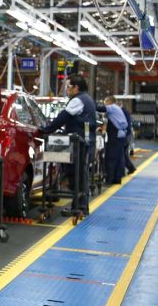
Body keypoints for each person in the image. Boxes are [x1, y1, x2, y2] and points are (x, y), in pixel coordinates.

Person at [41, 75, 97, 217]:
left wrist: (46, 130)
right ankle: (80, 207)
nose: (66, 89)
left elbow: (63, 117)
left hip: (78, 144)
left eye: (68, 86)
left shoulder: (78, 100)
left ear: (76, 87)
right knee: (80, 175)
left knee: (76, 175)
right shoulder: (87, 99)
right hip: (85, 142)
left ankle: (79, 207)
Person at [97, 96, 128, 184]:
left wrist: (90, 104)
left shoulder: (112, 107)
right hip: (120, 136)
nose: (105, 105)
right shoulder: (117, 108)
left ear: (109, 102)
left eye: (105, 103)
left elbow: (100, 109)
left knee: (111, 157)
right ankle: (116, 179)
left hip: (116, 136)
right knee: (118, 158)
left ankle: (109, 179)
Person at [118, 100, 136, 174]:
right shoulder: (125, 111)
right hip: (127, 135)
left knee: (121, 154)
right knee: (124, 154)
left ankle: (123, 171)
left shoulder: (121, 111)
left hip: (124, 135)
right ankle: (131, 168)